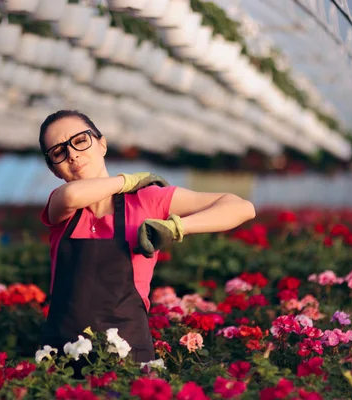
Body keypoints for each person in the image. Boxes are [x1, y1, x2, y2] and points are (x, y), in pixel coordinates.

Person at [38, 110, 256, 365]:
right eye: (58, 153)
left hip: (127, 352)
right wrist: (128, 180)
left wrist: (176, 227)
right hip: (62, 354)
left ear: (102, 144)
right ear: (54, 169)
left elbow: (242, 207)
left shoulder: (146, 200)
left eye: (80, 140)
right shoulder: (61, 206)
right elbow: (72, 196)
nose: (73, 154)